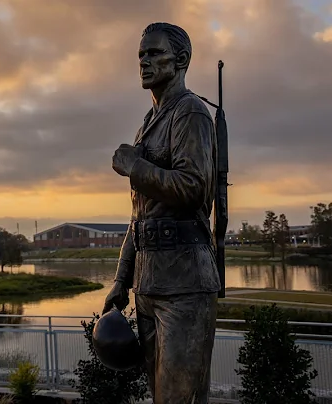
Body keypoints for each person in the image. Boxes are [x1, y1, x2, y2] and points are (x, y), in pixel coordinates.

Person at [103, 22, 221, 404]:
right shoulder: (147, 126)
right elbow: (139, 217)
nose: (144, 62)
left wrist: (133, 167)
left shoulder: (190, 113)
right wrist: (122, 279)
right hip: (149, 284)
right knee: (162, 396)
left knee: (177, 398)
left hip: (185, 285)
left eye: (154, 54)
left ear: (181, 60)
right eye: (141, 55)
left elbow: (193, 187)